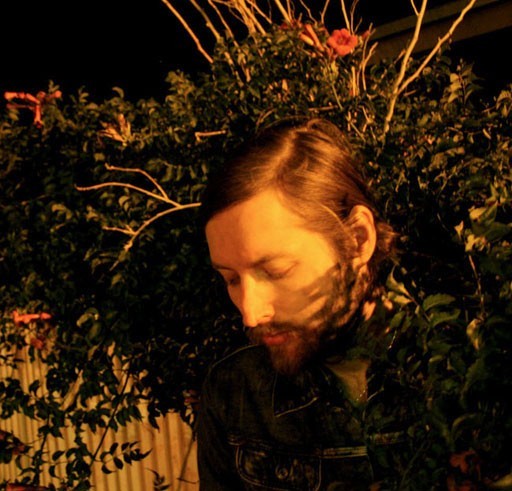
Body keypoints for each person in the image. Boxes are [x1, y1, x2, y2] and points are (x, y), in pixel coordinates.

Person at [196, 118, 412, 490]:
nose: (250, 314)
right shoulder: (235, 394)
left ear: (358, 239)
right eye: (231, 279)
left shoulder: (465, 377)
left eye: (275, 271)